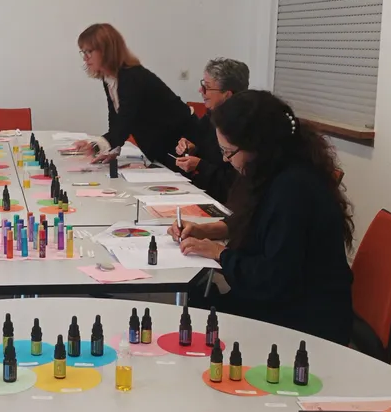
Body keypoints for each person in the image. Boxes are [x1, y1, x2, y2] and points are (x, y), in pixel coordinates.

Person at [168, 90, 354, 345]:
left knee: (192, 318)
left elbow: (272, 278)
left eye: (229, 152)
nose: (225, 159)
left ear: (258, 146)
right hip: (287, 300)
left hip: (302, 321)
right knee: (194, 302)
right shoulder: (276, 170)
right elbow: (258, 222)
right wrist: (207, 230)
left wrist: (218, 253)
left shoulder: (293, 189)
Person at [71, 23, 190, 167]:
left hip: (180, 142)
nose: (85, 58)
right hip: (159, 144)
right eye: (83, 52)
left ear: (106, 50)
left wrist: (97, 145)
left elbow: (125, 120)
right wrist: (113, 149)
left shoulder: (132, 77)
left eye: (89, 51)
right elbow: (115, 116)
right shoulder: (109, 78)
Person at [174, 58, 248, 203]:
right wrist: (188, 147)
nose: (200, 91)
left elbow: (234, 183)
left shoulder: (243, 126)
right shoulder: (211, 114)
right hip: (200, 192)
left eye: (207, 87)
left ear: (227, 94)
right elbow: (195, 141)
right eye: (202, 84)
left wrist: (200, 165)